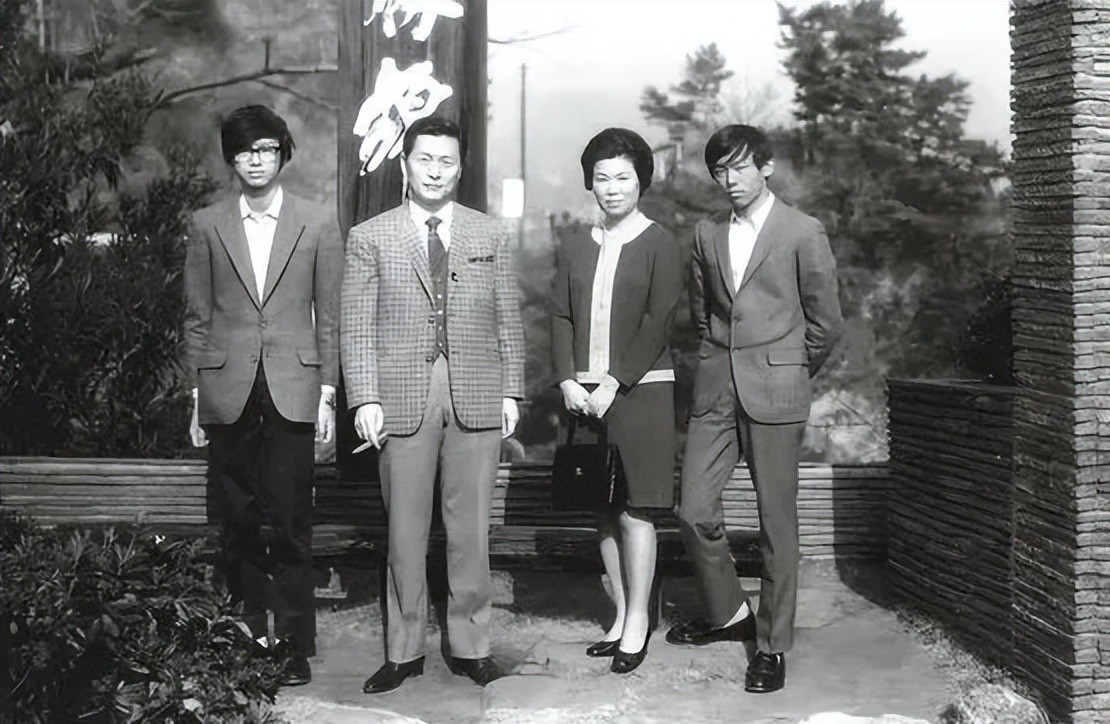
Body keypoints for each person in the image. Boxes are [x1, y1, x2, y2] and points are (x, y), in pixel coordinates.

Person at [341, 116, 525, 694]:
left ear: (460, 167)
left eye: (447, 161)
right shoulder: (371, 236)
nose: (436, 172)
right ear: (405, 164)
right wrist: (364, 397)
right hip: (400, 395)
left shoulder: (489, 234)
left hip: (476, 390)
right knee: (405, 530)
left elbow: (508, 318)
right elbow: (356, 327)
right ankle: (403, 651)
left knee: (471, 530)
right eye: (425, 159)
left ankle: (472, 646)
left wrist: (511, 389)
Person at [669, 124, 843, 693]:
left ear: (766, 167)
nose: (730, 179)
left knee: (777, 525)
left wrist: (788, 369)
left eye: (741, 166)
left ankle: (771, 645)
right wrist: (719, 364)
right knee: (693, 509)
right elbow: (702, 315)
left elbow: (826, 324)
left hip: (778, 390)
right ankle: (730, 613)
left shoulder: (802, 231)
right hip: (717, 388)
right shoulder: (707, 232)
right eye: (720, 170)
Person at [184, 105, 343, 686]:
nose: (256, 160)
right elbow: (196, 317)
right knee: (238, 521)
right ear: (231, 158)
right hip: (227, 389)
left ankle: (294, 644)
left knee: (292, 520)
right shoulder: (206, 224)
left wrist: (327, 393)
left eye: (267, 149)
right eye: (245, 151)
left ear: (283, 155)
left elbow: (330, 317)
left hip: (293, 387)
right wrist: (195, 396)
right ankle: (247, 636)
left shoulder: (316, 223)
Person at [551, 128, 684, 674]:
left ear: (641, 182)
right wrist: (566, 379)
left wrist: (616, 381)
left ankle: (640, 622)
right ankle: (622, 612)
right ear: (590, 183)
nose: (612, 188)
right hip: (582, 394)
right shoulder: (576, 244)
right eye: (601, 178)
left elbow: (659, 321)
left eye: (622, 177)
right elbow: (561, 315)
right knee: (601, 510)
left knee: (635, 510)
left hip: (641, 391)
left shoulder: (661, 243)